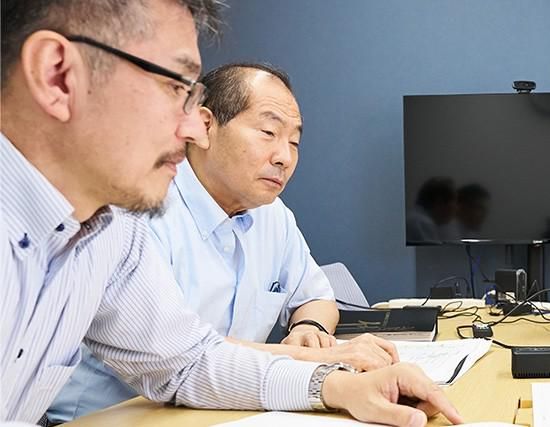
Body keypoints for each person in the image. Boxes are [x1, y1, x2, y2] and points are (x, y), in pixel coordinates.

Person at [0, 1, 463, 426]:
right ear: (58, 76)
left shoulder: (108, 230)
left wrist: (338, 387)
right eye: (174, 87)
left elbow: (187, 362)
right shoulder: (135, 215)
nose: (190, 127)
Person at [49, 63, 401, 422]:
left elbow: (314, 296)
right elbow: (182, 355)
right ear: (205, 126)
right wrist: (321, 362)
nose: (284, 157)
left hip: (228, 404)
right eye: (268, 132)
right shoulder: (140, 209)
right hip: (118, 415)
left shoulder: (272, 214)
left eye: (294, 142)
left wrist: (308, 330)